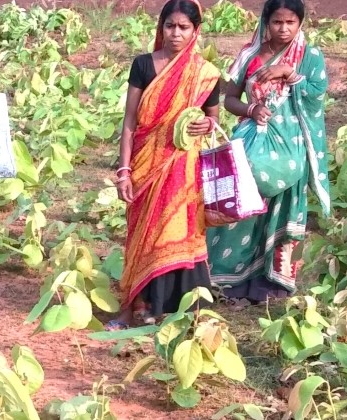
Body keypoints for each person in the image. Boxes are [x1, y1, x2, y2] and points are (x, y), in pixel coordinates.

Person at [206, 0, 329, 304]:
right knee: (243, 204)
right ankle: (233, 278)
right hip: (252, 138)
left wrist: (289, 74)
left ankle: (273, 282)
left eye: (291, 23)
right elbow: (230, 99)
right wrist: (252, 108)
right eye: (277, 22)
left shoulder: (309, 57)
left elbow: (316, 95)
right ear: (266, 22)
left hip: (291, 144)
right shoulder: (249, 55)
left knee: (283, 208)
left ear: (301, 23)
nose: (284, 29)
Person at [110, 0, 221, 329]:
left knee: (174, 231)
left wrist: (207, 125)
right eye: (170, 26)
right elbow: (130, 122)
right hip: (145, 165)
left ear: (195, 31)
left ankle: (172, 309)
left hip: (182, 168)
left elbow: (213, 118)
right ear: (161, 28)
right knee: (142, 235)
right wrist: (124, 171)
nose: (175, 33)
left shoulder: (205, 74)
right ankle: (134, 306)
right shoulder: (144, 65)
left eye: (183, 27)